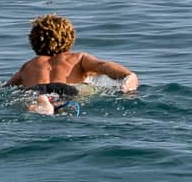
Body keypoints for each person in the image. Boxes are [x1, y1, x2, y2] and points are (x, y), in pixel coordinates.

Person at [7, 14, 138, 115]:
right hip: (67, 89)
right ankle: (54, 105)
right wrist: (127, 75)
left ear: (33, 41)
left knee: (28, 99)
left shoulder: (28, 65)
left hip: (35, 90)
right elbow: (102, 66)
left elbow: (7, 87)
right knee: (89, 89)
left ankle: (41, 104)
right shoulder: (79, 58)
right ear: (70, 38)